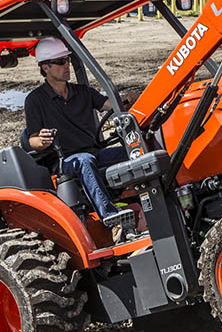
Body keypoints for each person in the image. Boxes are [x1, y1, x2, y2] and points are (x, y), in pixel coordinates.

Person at [24, 37, 139, 238]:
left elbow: (111, 106)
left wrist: (126, 101)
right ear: (45, 68)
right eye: (60, 62)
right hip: (65, 161)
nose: (66, 65)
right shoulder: (35, 100)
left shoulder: (83, 92)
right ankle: (112, 219)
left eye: (67, 60)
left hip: (94, 152)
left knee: (134, 149)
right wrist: (40, 141)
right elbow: (32, 140)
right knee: (84, 161)